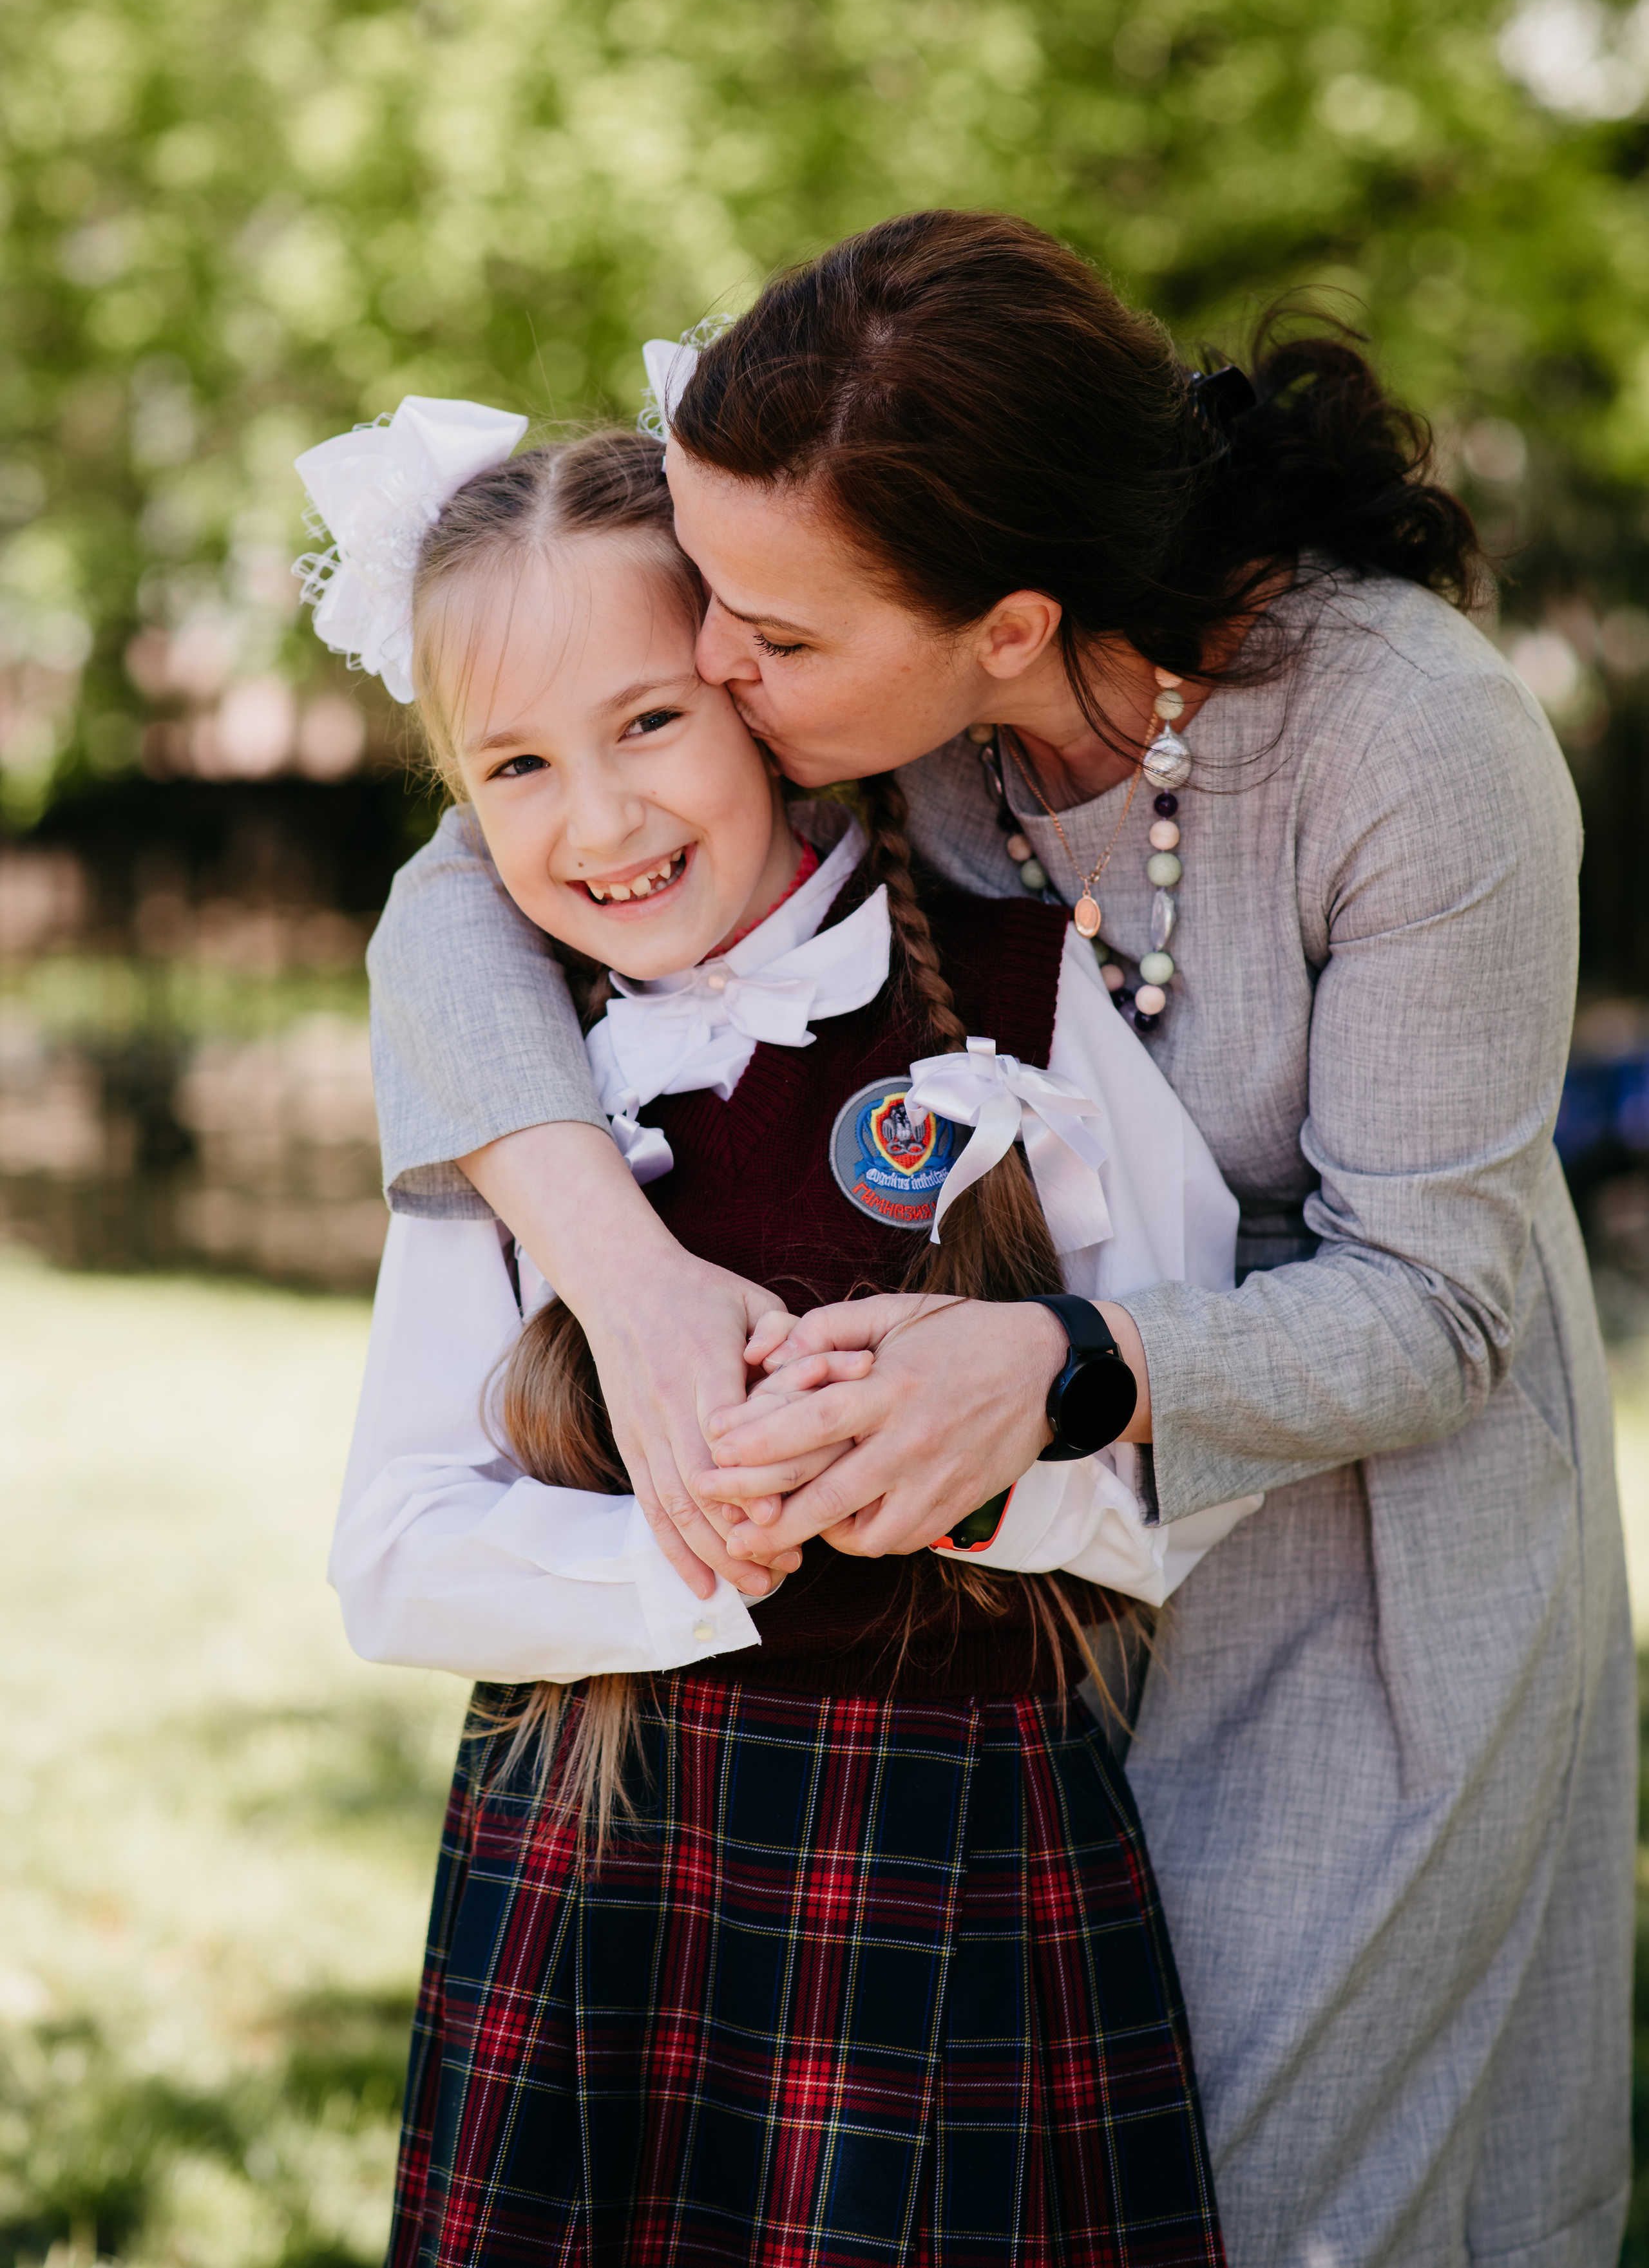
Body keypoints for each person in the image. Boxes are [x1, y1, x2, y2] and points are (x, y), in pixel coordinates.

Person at [351, 213, 1634, 2267]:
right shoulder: (856, 640)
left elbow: (1445, 1299)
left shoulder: (1415, 743)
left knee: (1286, 2191)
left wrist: (1053, 1370)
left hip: (1353, 1561)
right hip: (986, 1640)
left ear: (1008, 629)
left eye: (759, 638)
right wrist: (635, 1278)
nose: (714, 664)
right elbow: (456, 894)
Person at [309, 406, 1255, 2262]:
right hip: (598, 1863)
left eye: (648, 721)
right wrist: (693, 1546)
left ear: (758, 692)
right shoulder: (522, 1099)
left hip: (957, 1859)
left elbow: (1206, 1454)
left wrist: (987, 1482)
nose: (599, 819)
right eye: (515, 764)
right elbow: (392, 1557)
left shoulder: (1020, 1002)